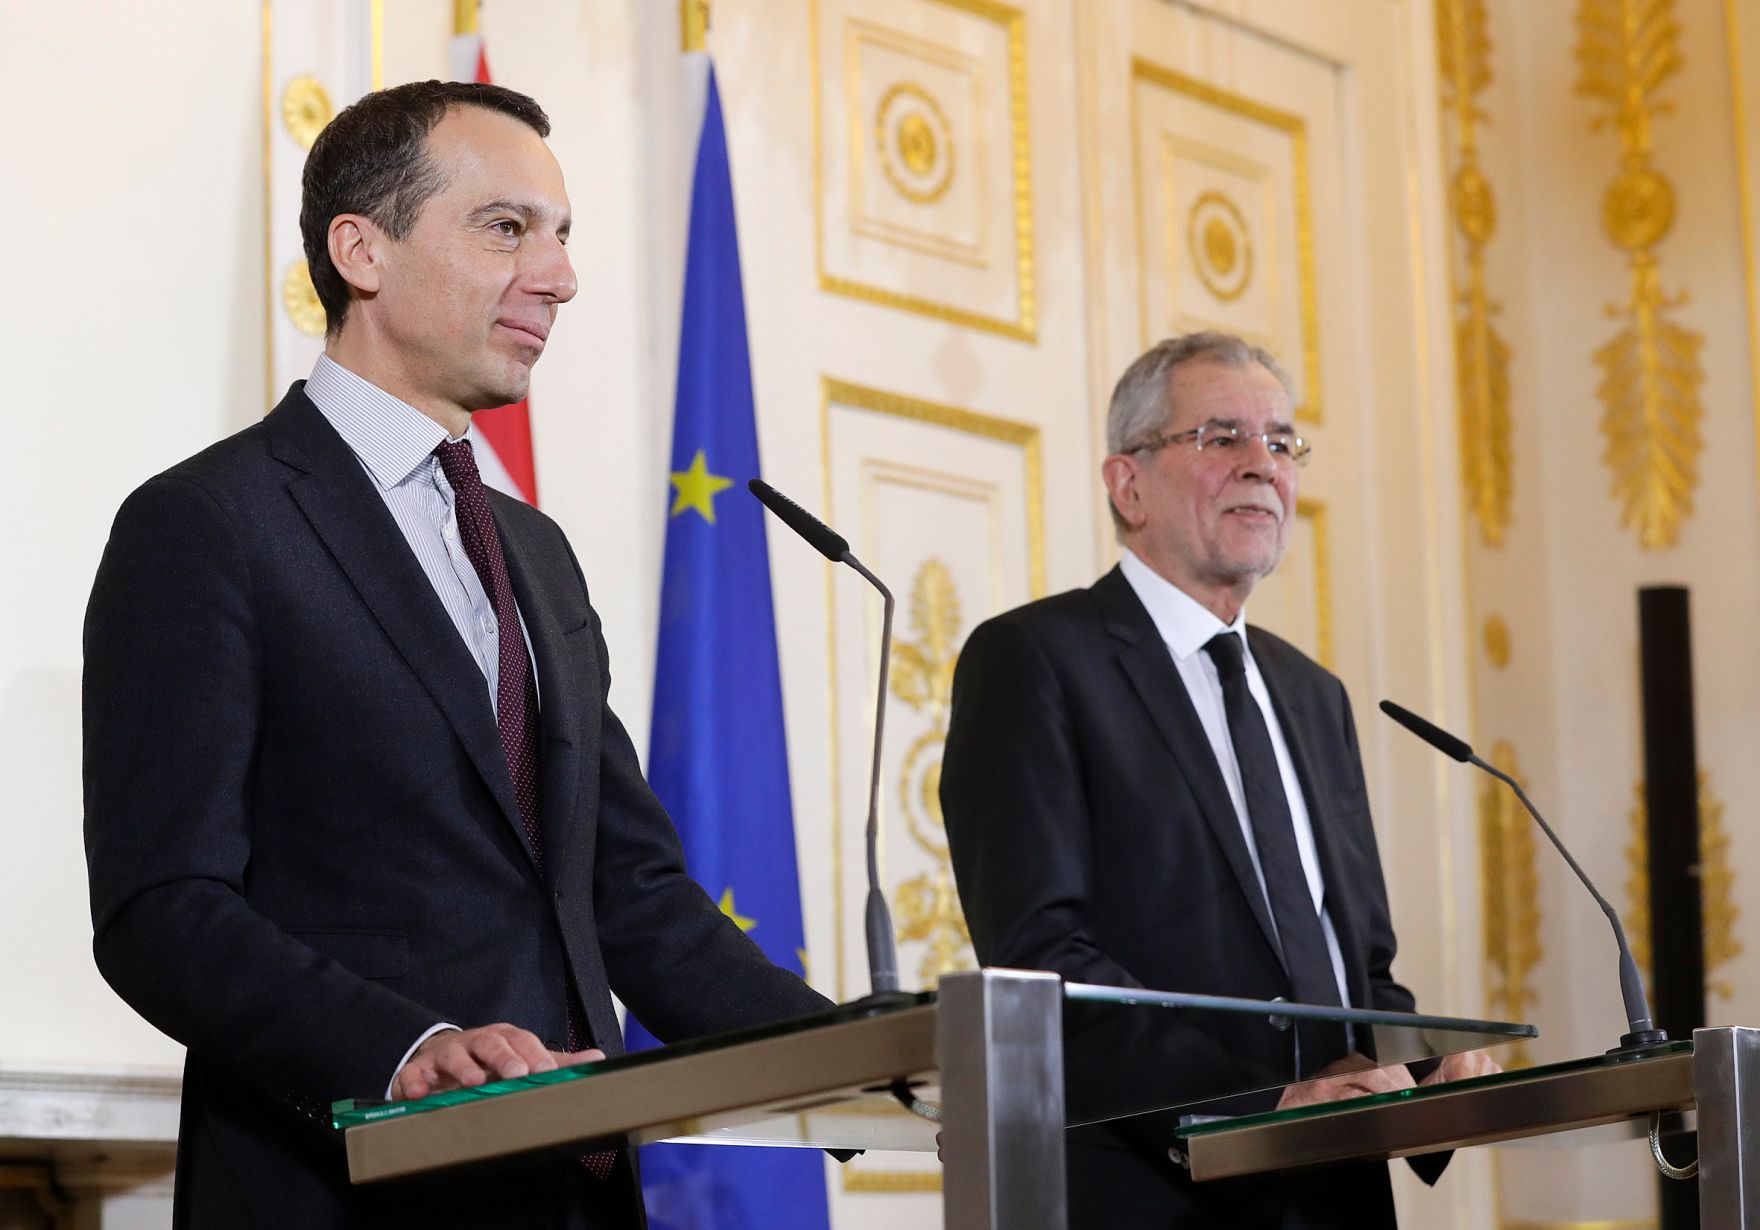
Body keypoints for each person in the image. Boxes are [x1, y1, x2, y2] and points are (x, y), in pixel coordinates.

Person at [82, 80, 828, 1229]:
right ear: (360, 250)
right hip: (342, 1186)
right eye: (506, 228)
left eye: (563, 235)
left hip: (572, 1192)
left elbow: (626, 889)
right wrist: (409, 1049)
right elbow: (163, 908)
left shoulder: (534, 549)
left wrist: (853, 1054)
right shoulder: (208, 524)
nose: (561, 276)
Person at [939, 332, 1498, 1229]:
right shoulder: (1035, 660)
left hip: (1337, 1197)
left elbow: (1361, 974)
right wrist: (1254, 1111)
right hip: (1154, 1192)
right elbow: (1042, 961)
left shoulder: (1316, 696)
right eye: (1222, 437)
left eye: (1281, 442)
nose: (1261, 466)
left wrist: (1435, 1076)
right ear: (1128, 484)